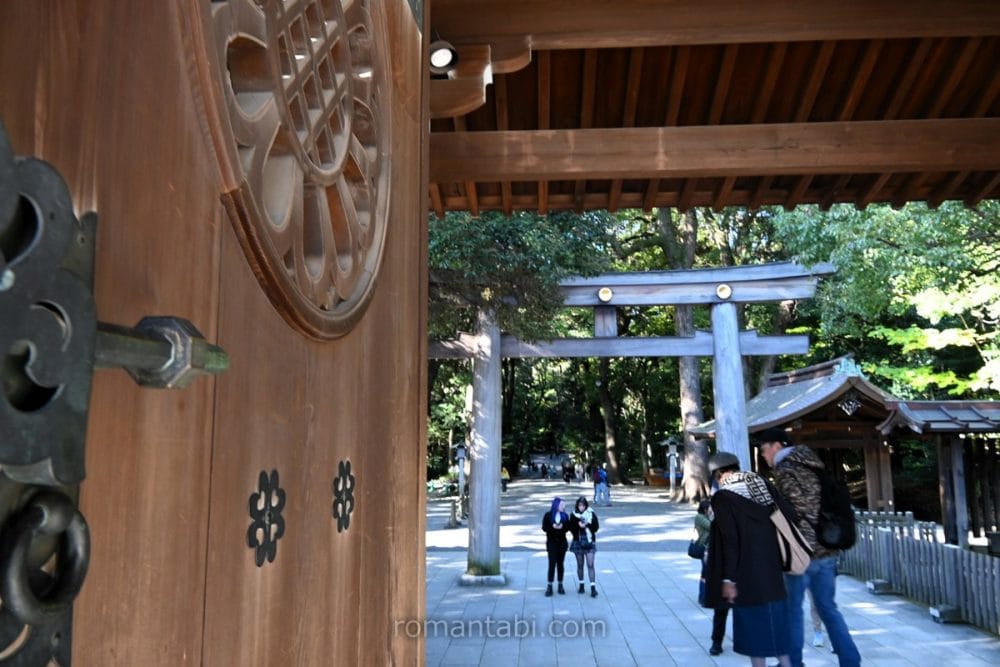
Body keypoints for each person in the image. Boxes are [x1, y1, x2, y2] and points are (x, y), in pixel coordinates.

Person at [757, 427, 861, 667]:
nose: (763, 455)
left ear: (777, 446)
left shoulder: (785, 470)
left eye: (764, 449)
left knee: (792, 611)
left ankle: (792, 663)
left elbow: (797, 509)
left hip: (801, 553)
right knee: (828, 608)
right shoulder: (815, 465)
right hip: (828, 549)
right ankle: (850, 660)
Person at [704, 452, 792, 667]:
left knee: (755, 638)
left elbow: (730, 542)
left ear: (718, 475)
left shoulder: (724, 498)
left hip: (746, 578)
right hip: (772, 572)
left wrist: (728, 579)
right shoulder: (761, 485)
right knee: (778, 637)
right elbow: (787, 516)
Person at [695, 499, 730, 656]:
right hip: (723, 570)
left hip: (736, 570)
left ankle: (718, 642)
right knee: (721, 610)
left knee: (725, 610)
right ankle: (717, 642)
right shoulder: (717, 525)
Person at [568, 496, 600, 597]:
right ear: (577, 506)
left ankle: (593, 588)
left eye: (583, 505)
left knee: (590, 564)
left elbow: (596, 527)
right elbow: (571, 529)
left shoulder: (591, 513)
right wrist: (578, 525)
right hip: (578, 542)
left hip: (589, 542)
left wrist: (587, 524)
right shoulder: (573, 515)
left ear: (586, 506)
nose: (582, 507)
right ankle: (581, 584)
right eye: (580, 505)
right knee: (580, 564)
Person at [541, 496, 570, 596]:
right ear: (556, 505)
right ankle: (549, 585)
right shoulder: (548, 515)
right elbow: (544, 527)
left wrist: (562, 527)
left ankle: (560, 584)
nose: (563, 506)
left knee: (560, 564)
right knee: (552, 563)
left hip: (562, 543)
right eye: (561, 505)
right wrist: (552, 527)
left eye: (563, 505)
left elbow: (568, 527)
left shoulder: (565, 516)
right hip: (552, 543)